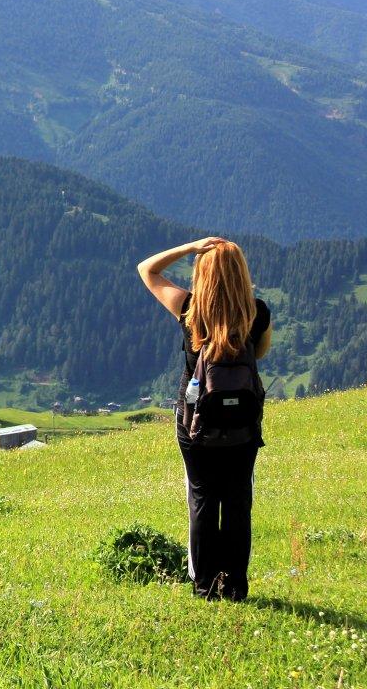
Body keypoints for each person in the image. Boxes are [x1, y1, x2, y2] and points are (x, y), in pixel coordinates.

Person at [137, 237, 272, 600]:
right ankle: (235, 587)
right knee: (238, 502)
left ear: (203, 273)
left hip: (194, 422)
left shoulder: (189, 310)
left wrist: (189, 247)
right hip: (243, 424)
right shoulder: (257, 312)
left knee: (202, 500)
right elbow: (259, 352)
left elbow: (147, 269)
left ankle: (205, 587)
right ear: (241, 273)